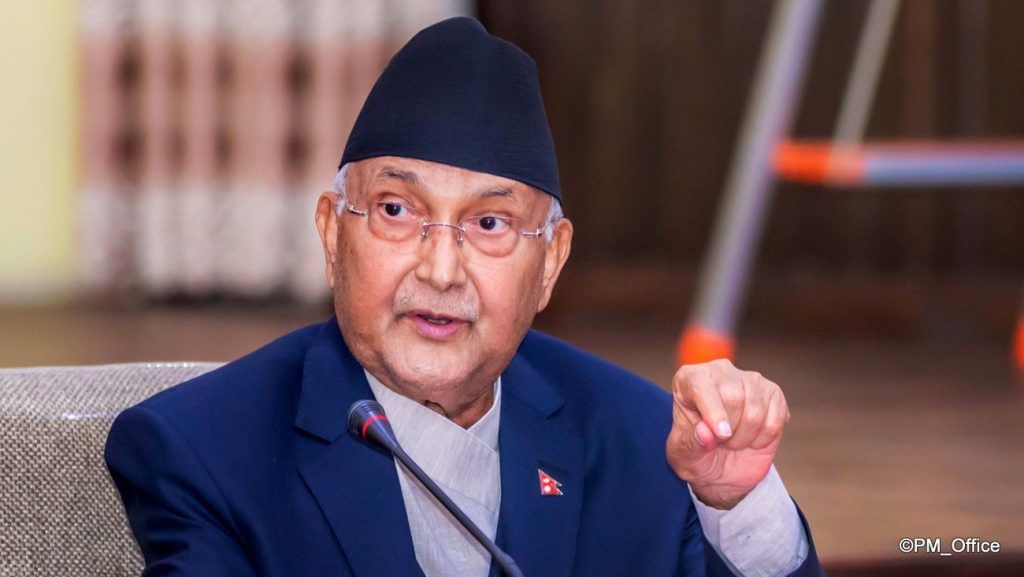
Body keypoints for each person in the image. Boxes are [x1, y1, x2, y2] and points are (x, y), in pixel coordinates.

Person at [105, 17, 825, 577]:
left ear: (551, 263)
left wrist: (735, 502)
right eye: (396, 210)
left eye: (489, 224)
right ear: (331, 233)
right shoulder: (204, 449)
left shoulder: (640, 442)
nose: (442, 270)